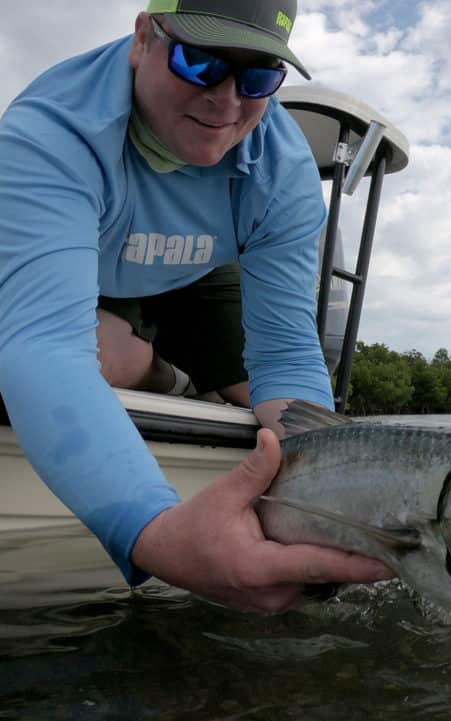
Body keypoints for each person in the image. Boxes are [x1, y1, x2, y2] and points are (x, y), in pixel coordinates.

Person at [0, 0, 394, 611]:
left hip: (198, 267)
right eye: (199, 62)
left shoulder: (281, 166)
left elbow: (288, 354)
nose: (228, 101)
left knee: (257, 397)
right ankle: (163, 374)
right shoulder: (49, 132)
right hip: (82, 257)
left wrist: (338, 506)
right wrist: (157, 532)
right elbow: (45, 345)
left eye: (259, 77)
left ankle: (188, 378)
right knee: (103, 357)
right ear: (142, 38)